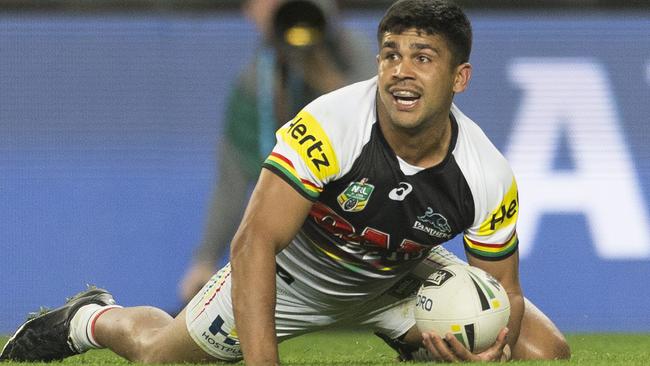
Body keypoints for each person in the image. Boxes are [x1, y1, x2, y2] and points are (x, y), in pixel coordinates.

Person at [0, 0, 571, 364]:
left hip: (399, 277)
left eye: (423, 57)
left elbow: (505, 291)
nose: (401, 69)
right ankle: (90, 317)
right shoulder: (330, 126)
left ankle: (420, 346)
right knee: (158, 353)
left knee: (544, 353)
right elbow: (254, 242)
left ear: (459, 78)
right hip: (293, 274)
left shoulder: (487, 174)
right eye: (390, 54)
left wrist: (490, 357)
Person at [178, 0, 375, 303]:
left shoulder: (358, 53)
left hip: (372, 233)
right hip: (301, 250)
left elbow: (380, 131)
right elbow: (232, 181)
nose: (279, 5)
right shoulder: (253, 84)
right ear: (249, 12)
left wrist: (319, 68)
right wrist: (204, 260)